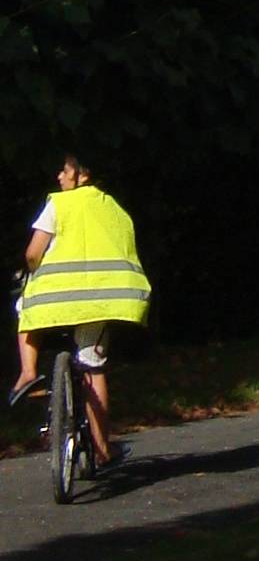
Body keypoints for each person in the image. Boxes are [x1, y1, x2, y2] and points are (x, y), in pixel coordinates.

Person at [11, 157, 151, 468]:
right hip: (103, 298)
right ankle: (102, 450)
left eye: (65, 170)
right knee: (92, 365)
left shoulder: (58, 205)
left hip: (55, 297)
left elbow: (33, 253)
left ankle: (28, 373)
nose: (59, 175)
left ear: (83, 174)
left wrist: (34, 273)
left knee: (24, 306)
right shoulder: (114, 209)